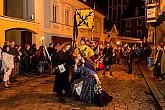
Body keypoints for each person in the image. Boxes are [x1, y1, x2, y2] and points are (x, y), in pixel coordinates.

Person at [71, 38, 112, 107]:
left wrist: (98, 81)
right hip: (84, 78)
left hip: (89, 80)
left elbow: (94, 72)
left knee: (88, 89)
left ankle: (88, 97)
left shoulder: (88, 62)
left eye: (79, 56)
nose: (77, 57)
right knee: (75, 82)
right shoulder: (81, 62)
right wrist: (75, 63)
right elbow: (76, 71)